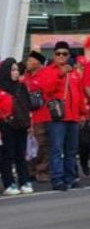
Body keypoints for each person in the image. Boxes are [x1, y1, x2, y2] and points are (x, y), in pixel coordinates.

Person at [38, 41, 84, 191]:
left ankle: (70, 177)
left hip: (73, 117)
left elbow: (79, 94)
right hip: (57, 118)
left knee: (71, 150)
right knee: (57, 149)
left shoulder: (75, 73)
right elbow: (47, 89)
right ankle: (57, 179)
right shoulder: (47, 71)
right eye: (58, 54)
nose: (61, 56)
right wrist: (60, 73)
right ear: (54, 55)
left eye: (64, 54)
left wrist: (83, 113)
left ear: (68, 55)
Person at [0, 59, 33, 195]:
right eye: (12, 70)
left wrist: (30, 123)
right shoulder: (1, 88)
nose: (16, 72)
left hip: (21, 124)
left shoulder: (22, 86)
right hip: (5, 125)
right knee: (7, 155)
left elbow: (28, 105)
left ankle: (24, 181)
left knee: (21, 154)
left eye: (17, 70)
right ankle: (9, 183)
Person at [22, 51, 49, 183]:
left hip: (41, 114)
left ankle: (41, 170)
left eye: (29, 61)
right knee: (28, 145)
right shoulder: (25, 76)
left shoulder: (44, 75)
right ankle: (30, 171)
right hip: (26, 116)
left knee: (41, 144)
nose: (27, 63)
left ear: (37, 63)